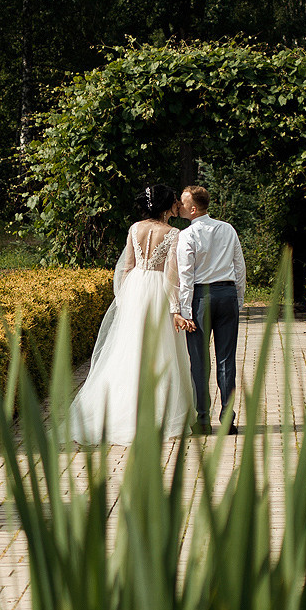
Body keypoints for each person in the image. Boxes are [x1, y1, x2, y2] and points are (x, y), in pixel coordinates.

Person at [68, 185, 194, 443]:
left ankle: (120, 408)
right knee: (160, 349)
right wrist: (175, 308)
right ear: (166, 206)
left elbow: (127, 267)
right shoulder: (173, 233)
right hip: (158, 289)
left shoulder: (134, 229)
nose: (176, 206)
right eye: (173, 202)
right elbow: (172, 275)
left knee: (130, 349)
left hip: (135, 288)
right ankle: (158, 411)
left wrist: (124, 300)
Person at [173, 183, 245, 432]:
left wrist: (185, 311)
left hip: (201, 297)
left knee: (200, 361)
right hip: (227, 294)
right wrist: (238, 300)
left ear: (193, 209)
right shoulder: (228, 229)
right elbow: (239, 267)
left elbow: (186, 275)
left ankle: (203, 419)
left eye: (182, 203)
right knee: (227, 359)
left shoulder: (187, 236)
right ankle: (228, 419)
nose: (180, 206)